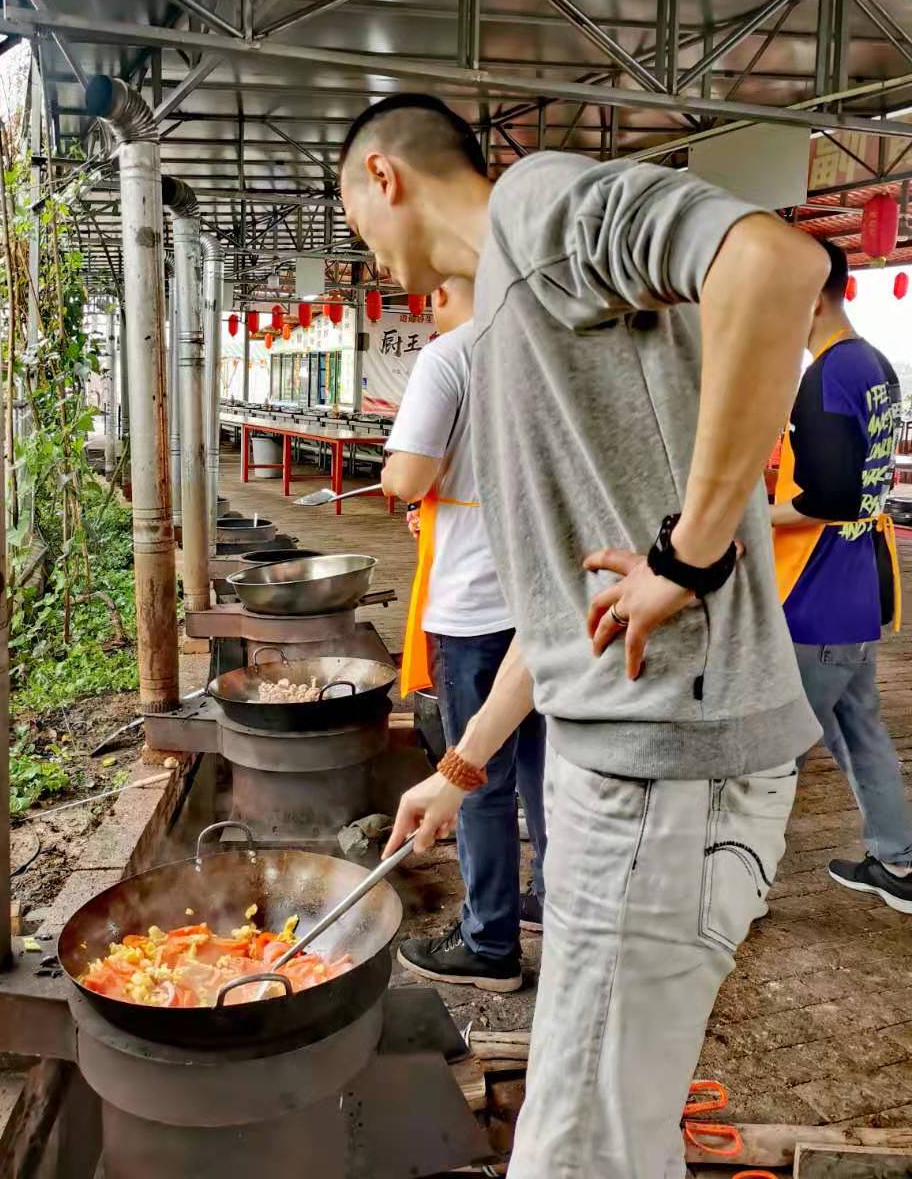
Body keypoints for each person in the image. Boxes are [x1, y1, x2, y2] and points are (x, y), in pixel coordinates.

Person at [338, 92, 826, 1179]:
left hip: (667, 781)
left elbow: (776, 266)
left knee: (578, 1155)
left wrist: (689, 554)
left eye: (355, 219)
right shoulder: (505, 328)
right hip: (628, 778)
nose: (366, 257)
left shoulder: (538, 204)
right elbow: (566, 617)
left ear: (385, 176)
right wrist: (459, 773)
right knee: (604, 1137)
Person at [381, 278, 547, 993]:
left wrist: (405, 480)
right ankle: (556, 905)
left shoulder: (449, 356)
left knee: (477, 777)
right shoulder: (543, 347)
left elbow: (408, 471)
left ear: (449, 284)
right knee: (544, 770)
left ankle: (489, 941)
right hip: (542, 600)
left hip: (476, 602)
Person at [772, 239, 912, 911]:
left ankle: (742, 890)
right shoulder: (875, 365)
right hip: (857, 587)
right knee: (860, 728)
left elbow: (826, 495)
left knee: (775, 751)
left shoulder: (828, 372)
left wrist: (752, 515)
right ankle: (899, 861)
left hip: (818, 599)